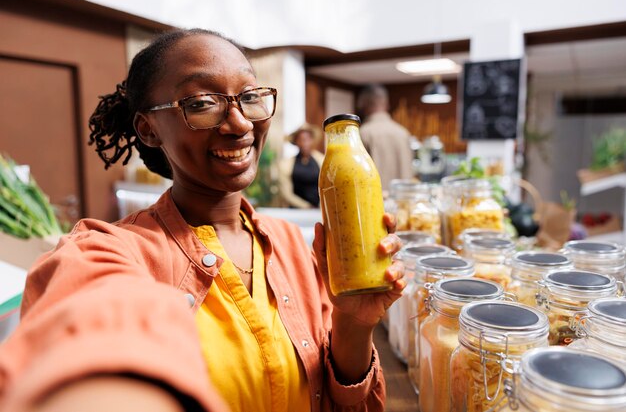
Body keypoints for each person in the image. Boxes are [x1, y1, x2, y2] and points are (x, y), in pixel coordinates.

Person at [0, 29, 406, 412]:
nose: (241, 123)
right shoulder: (108, 250)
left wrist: (353, 322)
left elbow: (341, 398)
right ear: (148, 128)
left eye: (250, 96)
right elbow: (91, 327)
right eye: (201, 103)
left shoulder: (289, 244)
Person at [357, 84, 414, 192]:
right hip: (404, 201)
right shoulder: (403, 132)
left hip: (377, 201)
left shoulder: (364, 133)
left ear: (363, 104)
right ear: (387, 104)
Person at [278, 124, 324, 208]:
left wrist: (320, 206)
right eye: (301, 140)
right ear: (296, 142)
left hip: (319, 209)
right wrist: (306, 206)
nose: (305, 143)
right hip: (296, 211)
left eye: (307, 139)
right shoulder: (286, 165)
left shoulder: (322, 160)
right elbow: (287, 194)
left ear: (312, 140)